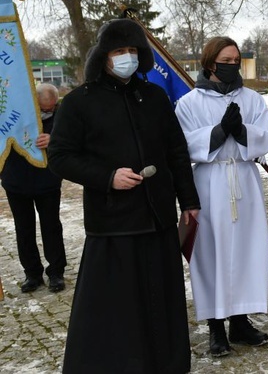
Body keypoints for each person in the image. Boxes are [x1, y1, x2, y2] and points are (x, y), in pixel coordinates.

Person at [48, 18, 201, 373]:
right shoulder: (78, 103)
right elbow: (59, 157)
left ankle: (166, 363)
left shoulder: (156, 97)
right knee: (116, 307)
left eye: (133, 50)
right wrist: (107, 177)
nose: (127, 57)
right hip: (113, 223)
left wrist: (189, 202)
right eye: (119, 51)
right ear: (103, 56)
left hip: (158, 218)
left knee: (161, 300)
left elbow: (176, 152)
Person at [175, 36, 268, 357]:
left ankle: (241, 321)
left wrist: (242, 131)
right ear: (210, 63)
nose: (233, 65)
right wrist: (219, 132)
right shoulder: (190, 102)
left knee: (246, 250)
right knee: (212, 253)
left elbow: (267, 136)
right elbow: (182, 145)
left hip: (243, 180)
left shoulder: (252, 99)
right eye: (226, 60)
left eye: (237, 61)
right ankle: (216, 327)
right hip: (210, 182)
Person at [1, 83, 66, 293]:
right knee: (24, 228)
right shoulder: (14, 115)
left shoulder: (62, 116)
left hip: (48, 181)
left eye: (51, 108)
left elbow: (74, 140)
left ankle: (56, 272)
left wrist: (54, 140)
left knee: (51, 226)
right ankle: (32, 273)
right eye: (43, 108)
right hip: (16, 180)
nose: (48, 112)